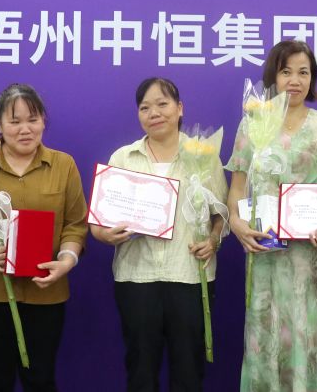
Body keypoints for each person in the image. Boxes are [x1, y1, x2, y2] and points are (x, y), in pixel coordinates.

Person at [226, 40, 317, 392]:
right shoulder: (253, 124)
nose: (295, 81)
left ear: (312, 79)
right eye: (286, 72)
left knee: (313, 335)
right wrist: (236, 223)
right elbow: (237, 189)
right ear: (273, 76)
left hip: (315, 258)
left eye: (303, 72)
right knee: (268, 334)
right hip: (266, 253)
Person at [92, 77, 228, 392]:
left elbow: (222, 214)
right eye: (145, 107)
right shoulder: (122, 158)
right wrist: (105, 235)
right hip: (136, 277)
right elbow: (97, 225)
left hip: (190, 276)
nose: (154, 113)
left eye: (162, 104)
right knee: (140, 370)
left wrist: (213, 241)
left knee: (189, 371)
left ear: (180, 108)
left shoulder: (204, 156)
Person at [0, 83, 88, 392]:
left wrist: (66, 261)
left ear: (43, 121)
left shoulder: (63, 165)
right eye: (14, 121)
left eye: (33, 119)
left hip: (46, 293)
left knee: (41, 379)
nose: (25, 129)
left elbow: (75, 224)